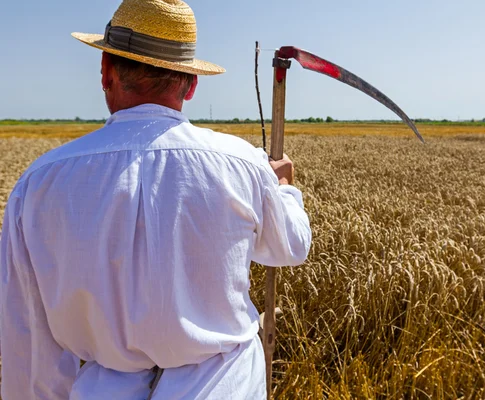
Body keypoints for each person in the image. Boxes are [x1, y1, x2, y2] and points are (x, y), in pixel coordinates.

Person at [0, 0, 311, 399]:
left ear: (106, 72)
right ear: (191, 83)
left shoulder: (39, 182)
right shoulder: (242, 164)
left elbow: (27, 339)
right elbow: (292, 246)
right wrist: (283, 190)